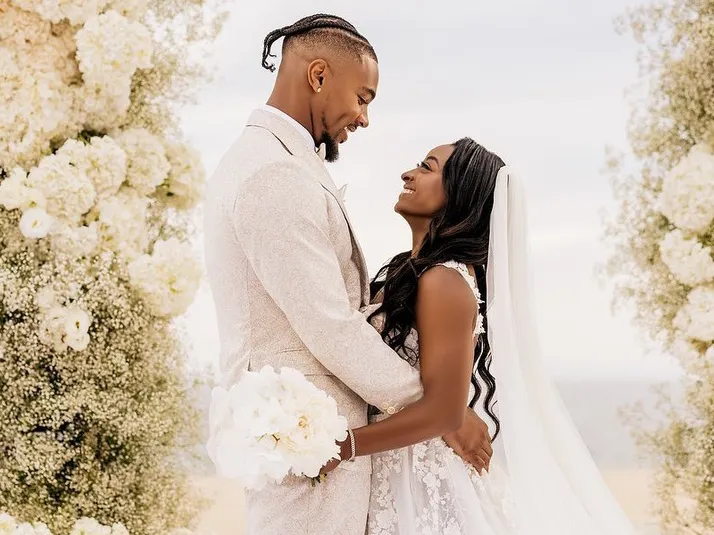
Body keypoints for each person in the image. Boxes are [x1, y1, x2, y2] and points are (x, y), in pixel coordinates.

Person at [202, 14, 492, 535]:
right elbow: (329, 323)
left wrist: (438, 411)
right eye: (362, 97)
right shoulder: (274, 173)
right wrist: (443, 412)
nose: (364, 118)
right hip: (307, 448)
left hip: (327, 452)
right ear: (318, 76)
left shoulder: (281, 163)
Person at [321, 139, 639, 534]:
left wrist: (342, 447)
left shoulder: (445, 281)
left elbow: (443, 413)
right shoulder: (410, 271)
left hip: (418, 480)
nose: (408, 174)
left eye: (427, 167)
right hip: (393, 467)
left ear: (460, 195)